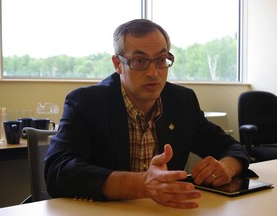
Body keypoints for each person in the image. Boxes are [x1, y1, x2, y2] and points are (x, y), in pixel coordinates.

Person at [44, 19, 250, 209]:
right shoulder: (86, 102)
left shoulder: (181, 102)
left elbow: (231, 146)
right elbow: (58, 172)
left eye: (161, 59)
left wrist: (227, 167)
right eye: (139, 61)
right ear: (118, 64)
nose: (153, 72)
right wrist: (142, 184)